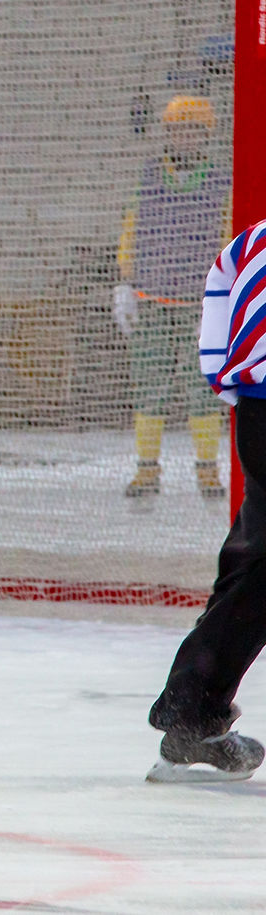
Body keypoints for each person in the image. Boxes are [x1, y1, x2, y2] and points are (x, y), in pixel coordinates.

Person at [146, 220, 266, 782]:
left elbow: (221, 291)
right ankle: (193, 711)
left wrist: (232, 384)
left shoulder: (253, 238)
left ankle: (193, 713)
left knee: (257, 564)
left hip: (259, 410)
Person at [114, 94, 232, 501]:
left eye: (193, 131)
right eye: (177, 130)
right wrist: (124, 283)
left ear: (206, 137)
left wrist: (222, 297)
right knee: (149, 385)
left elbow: (228, 239)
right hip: (151, 298)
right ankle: (147, 470)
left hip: (201, 304)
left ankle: (208, 470)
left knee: (203, 389)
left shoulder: (220, 183)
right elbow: (131, 230)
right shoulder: (148, 178)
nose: (185, 138)